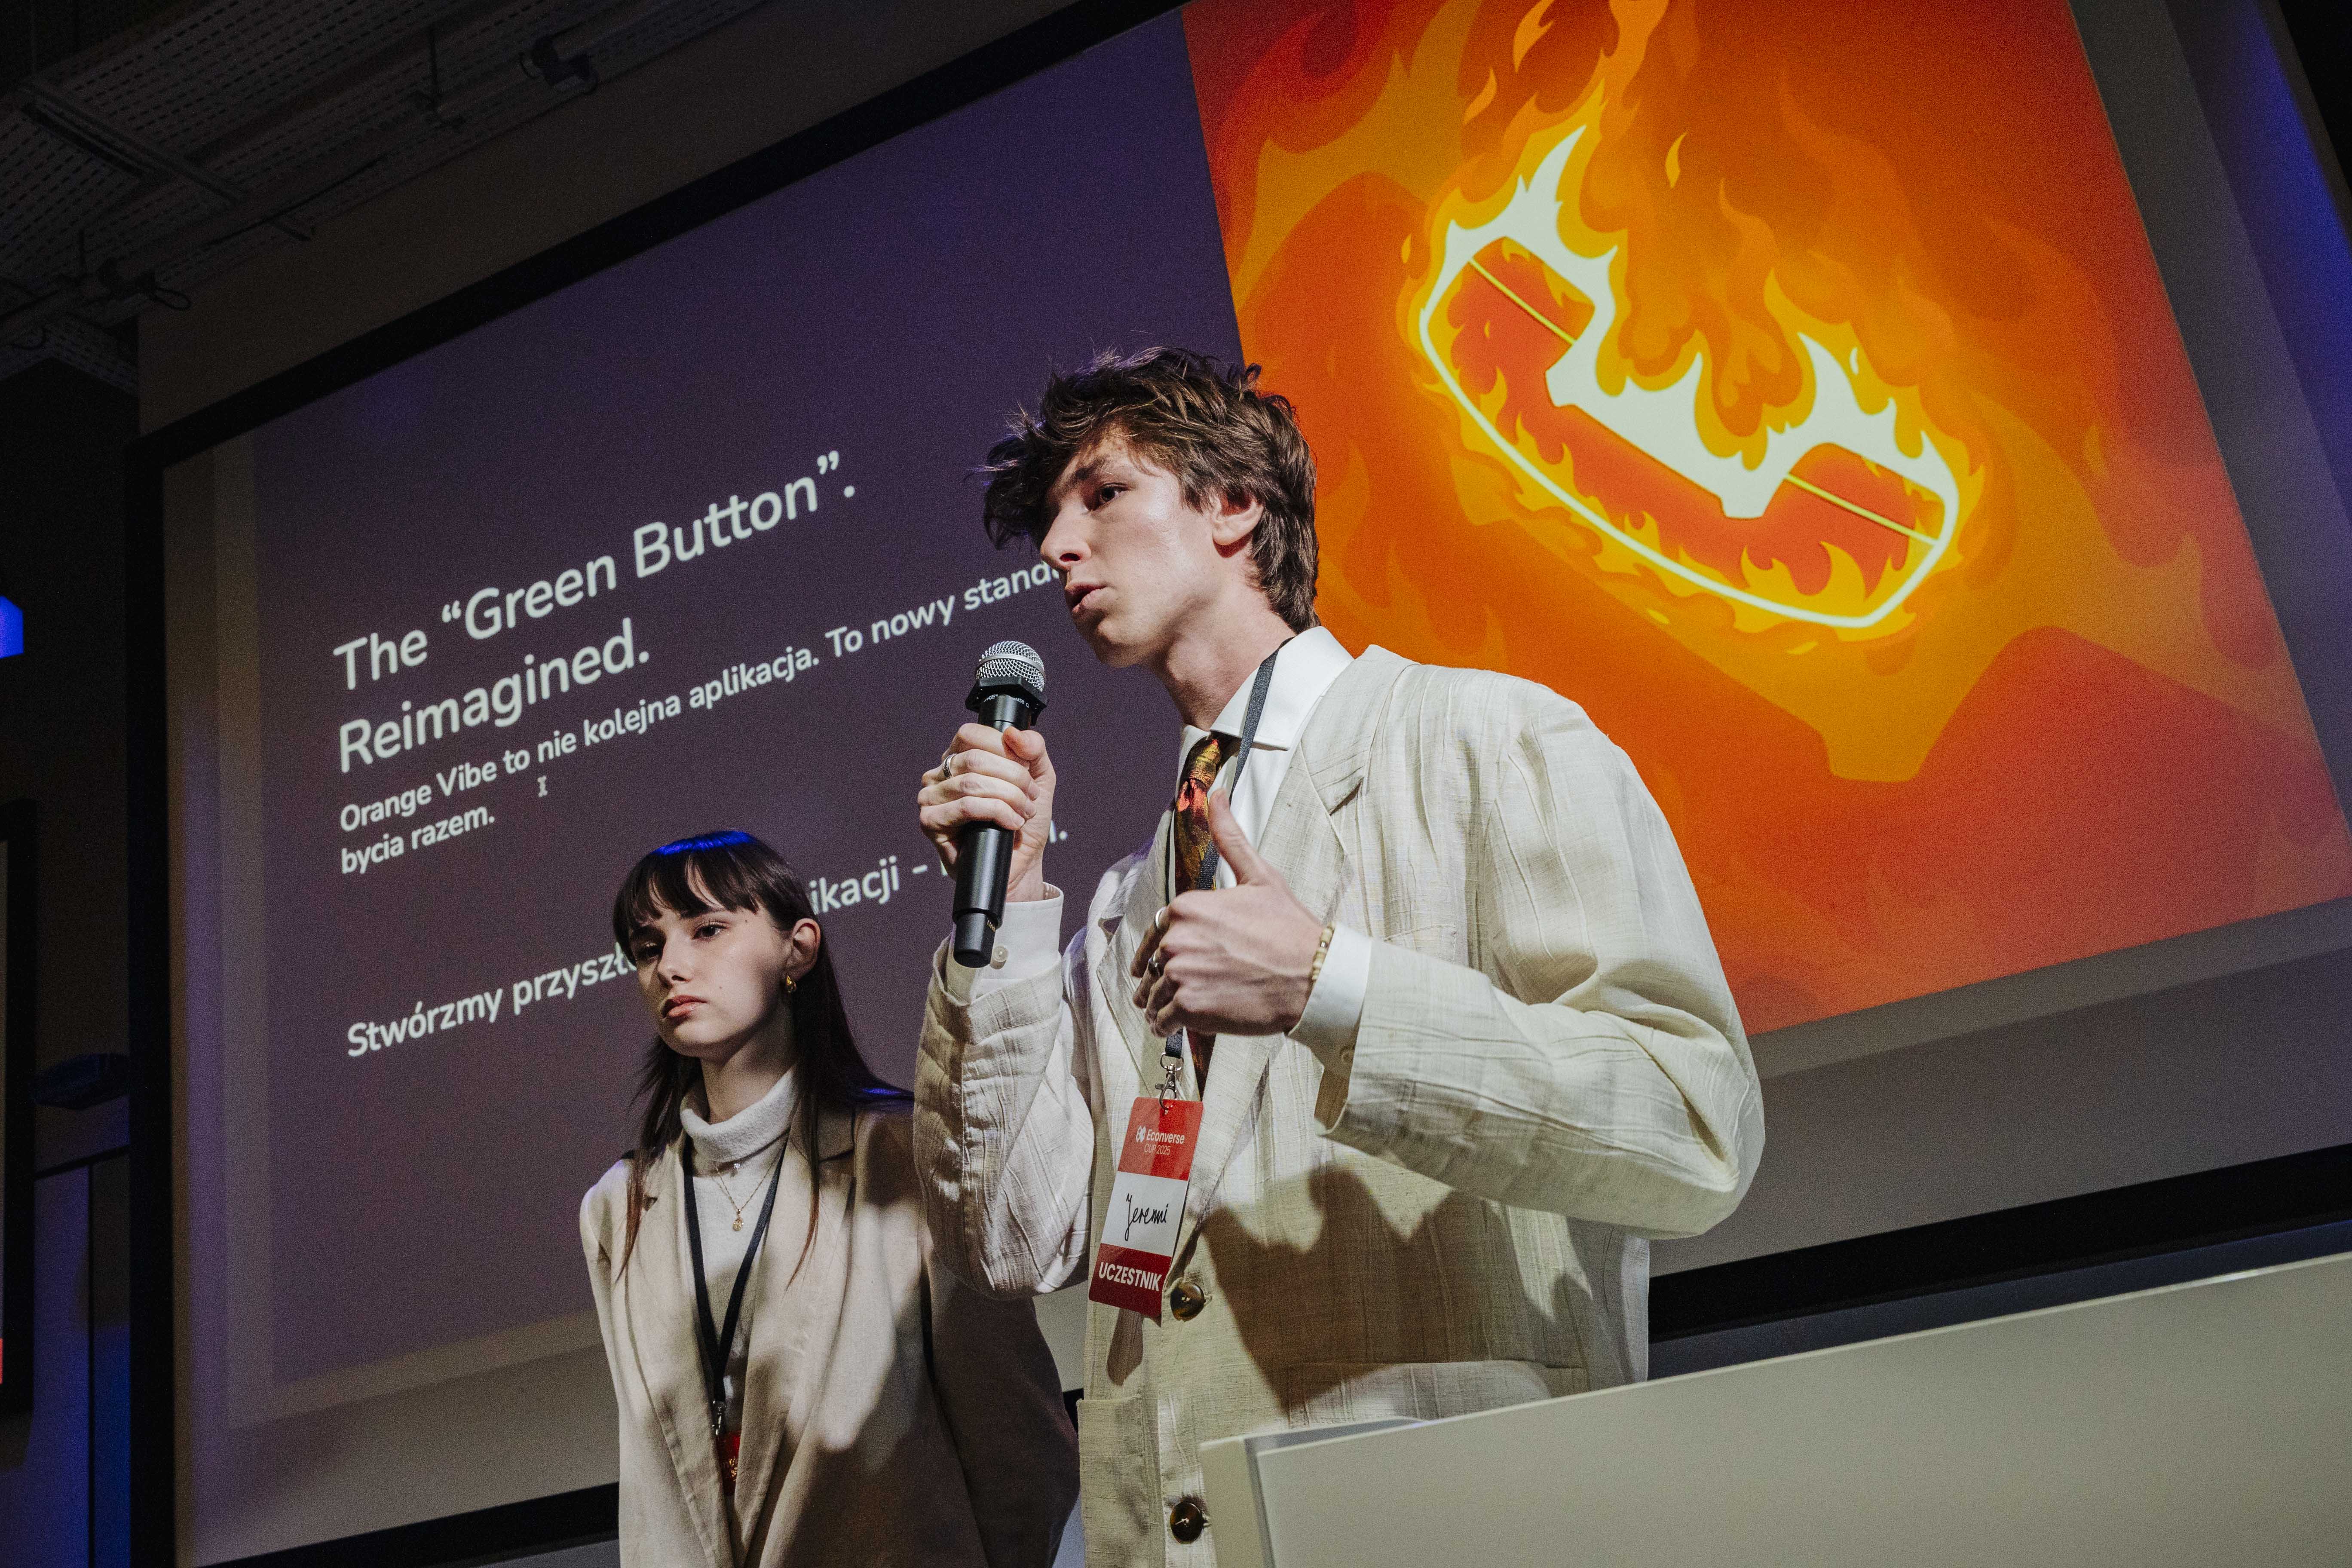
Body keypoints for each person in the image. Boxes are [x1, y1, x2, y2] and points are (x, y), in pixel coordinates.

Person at [912, 348, 1764, 1565]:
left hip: (1454, 1524)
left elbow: (1692, 1126)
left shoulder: (1487, 738)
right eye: (1050, 517)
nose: (1058, 547)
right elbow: (1012, 1237)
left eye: (1101, 495)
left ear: (1232, 506)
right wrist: (1015, 896)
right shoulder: (1120, 901)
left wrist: (1335, 988)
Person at [580, 830, 1078, 1567]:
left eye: (707, 929)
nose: (670, 967)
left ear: (799, 949)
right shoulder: (617, 1207)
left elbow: (1017, 1445)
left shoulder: (904, 1155)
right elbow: (657, 1478)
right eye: (648, 948)